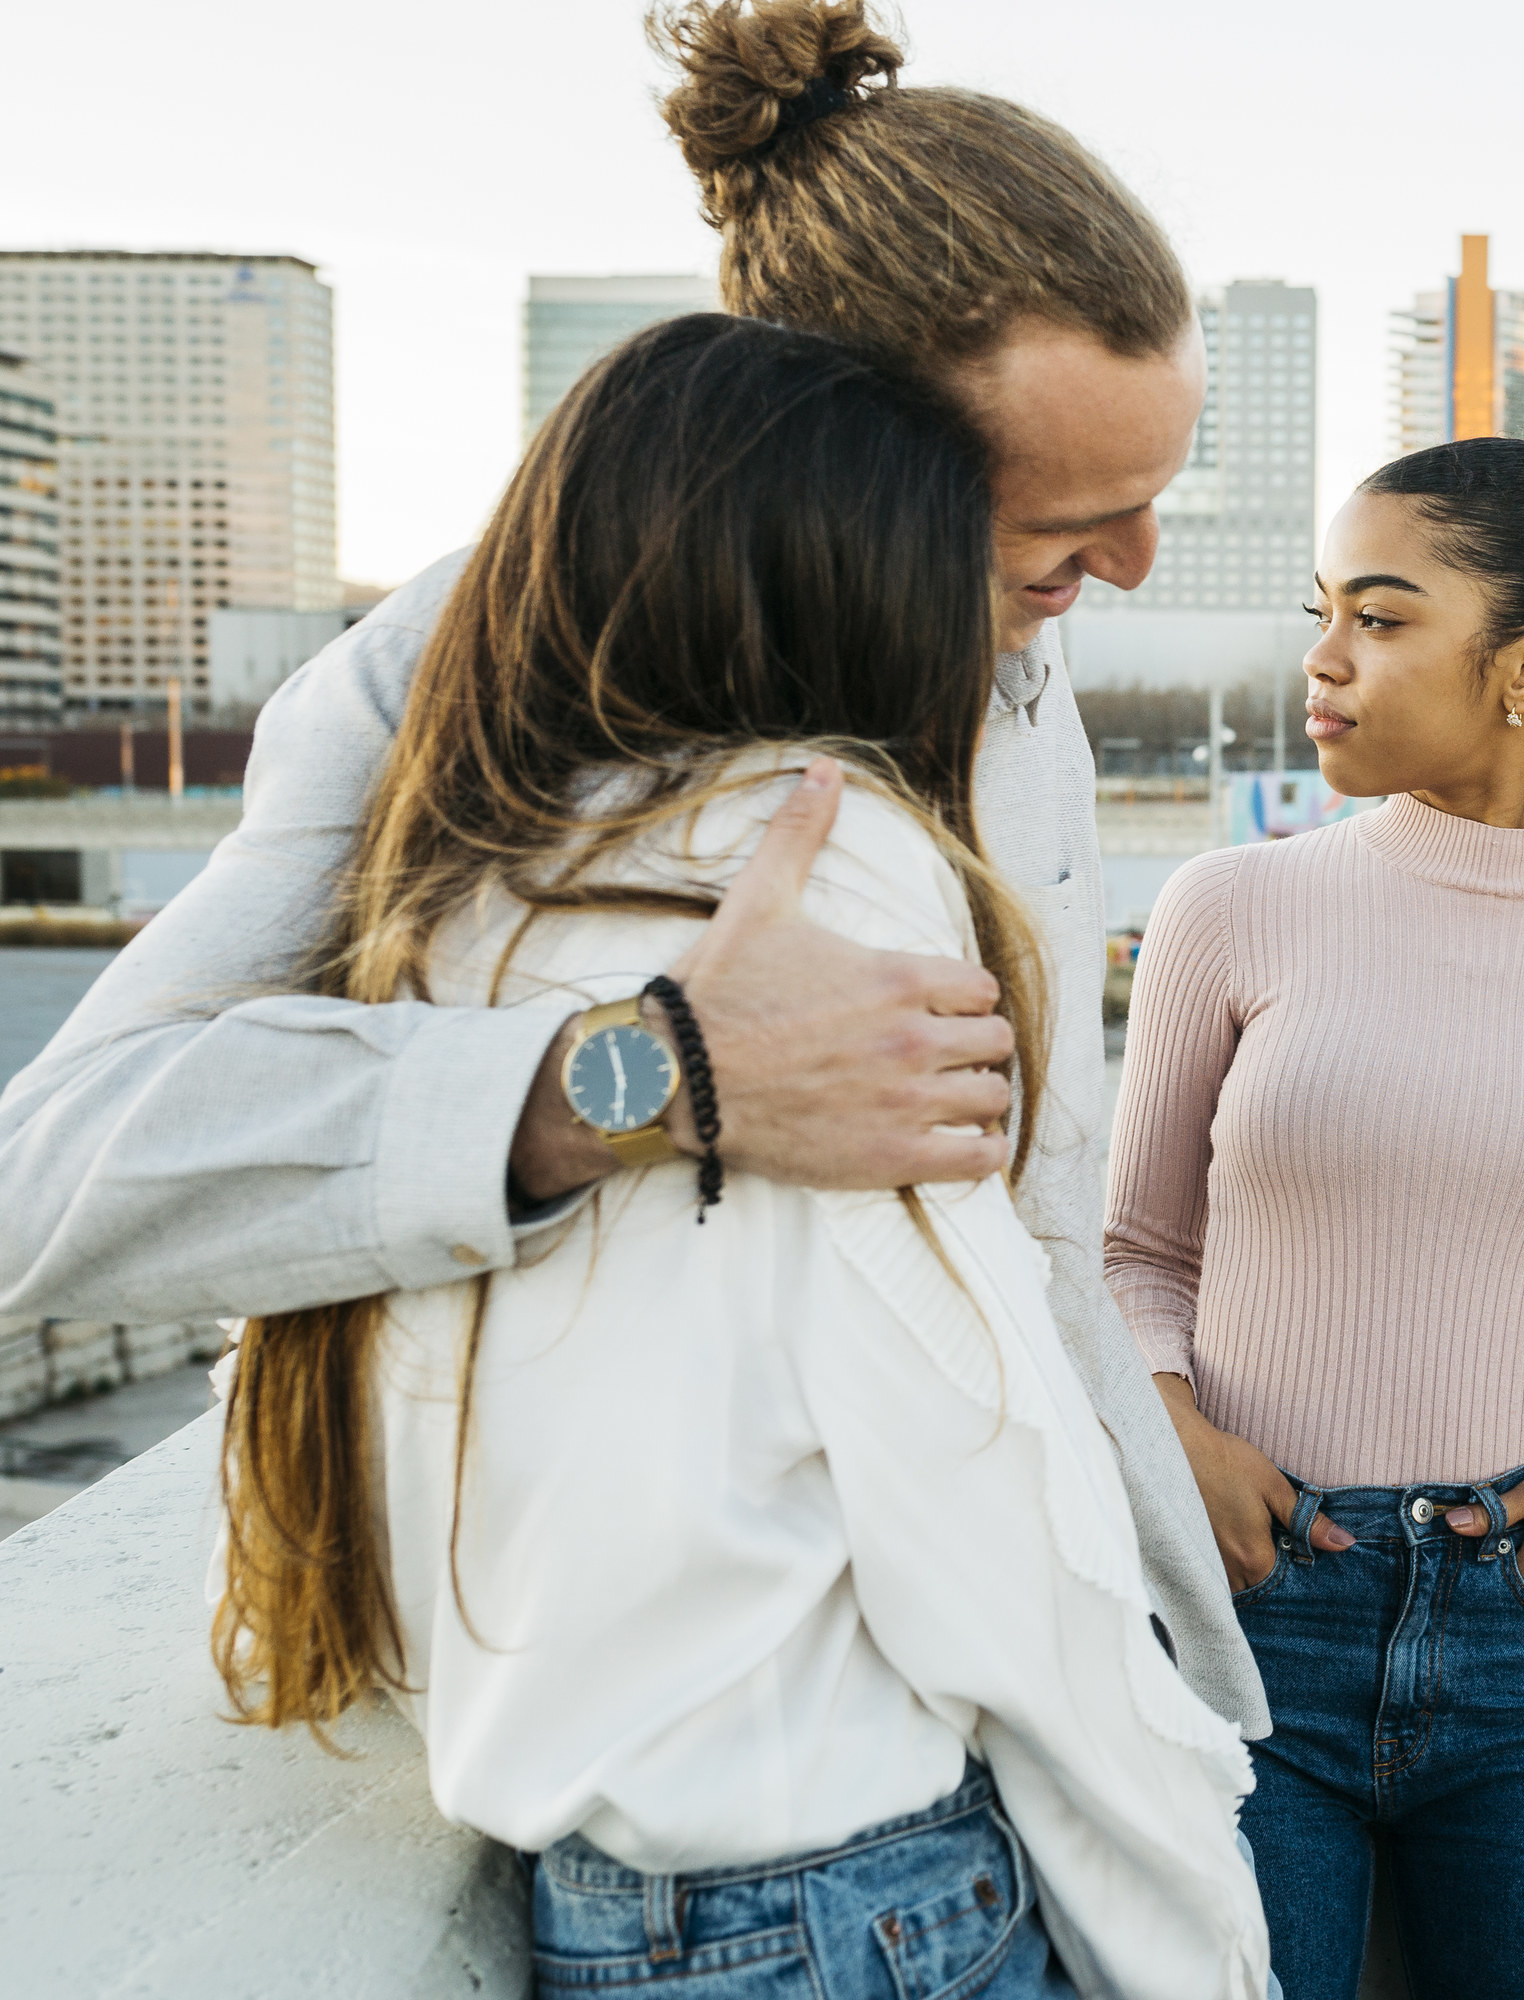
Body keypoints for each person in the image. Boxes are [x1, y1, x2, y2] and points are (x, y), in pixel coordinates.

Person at [0, 0, 1261, 1736]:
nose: (1123, 568)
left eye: (1147, 501)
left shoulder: (1016, 675)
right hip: (687, 1755)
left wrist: (1165, 1657)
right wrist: (646, 1075)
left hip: (997, 1688)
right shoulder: (455, 656)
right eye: (1058, 523)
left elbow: (1038, 1222)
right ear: (829, 440)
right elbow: (54, 1173)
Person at [210, 312, 1266, 1997]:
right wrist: (1196, 1929)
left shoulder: (448, 902)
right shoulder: (823, 873)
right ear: (847, 567)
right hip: (866, 1902)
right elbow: (986, 1493)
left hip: (614, 1902)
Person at [1105, 435, 1524, 2000]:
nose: (1323, 662)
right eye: (1324, 610)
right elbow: (1135, 1255)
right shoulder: (1229, 908)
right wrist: (1173, 1426)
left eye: (1380, 621)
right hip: (1247, 1625)